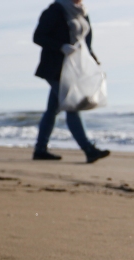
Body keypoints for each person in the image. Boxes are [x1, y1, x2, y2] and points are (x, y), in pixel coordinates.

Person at [32, 0, 110, 163]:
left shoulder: (82, 11)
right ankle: (89, 149)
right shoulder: (55, 10)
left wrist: (93, 60)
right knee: (72, 105)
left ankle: (40, 149)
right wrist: (61, 46)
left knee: (52, 110)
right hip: (55, 68)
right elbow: (38, 37)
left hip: (75, 68)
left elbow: (86, 40)